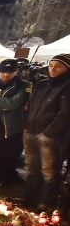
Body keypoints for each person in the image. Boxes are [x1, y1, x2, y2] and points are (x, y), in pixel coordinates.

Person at [22, 55, 70, 208]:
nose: (53, 69)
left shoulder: (67, 86)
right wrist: (27, 125)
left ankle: (46, 202)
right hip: (31, 130)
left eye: (58, 66)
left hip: (50, 135)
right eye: (51, 65)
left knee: (49, 170)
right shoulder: (42, 84)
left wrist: (50, 132)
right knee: (31, 167)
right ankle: (30, 198)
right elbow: (31, 107)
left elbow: (65, 113)